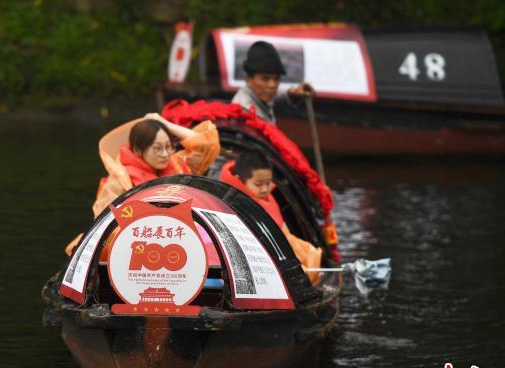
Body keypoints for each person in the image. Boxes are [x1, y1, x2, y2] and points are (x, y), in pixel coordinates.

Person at [65, 113, 220, 255]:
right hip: (138, 249)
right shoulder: (120, 181)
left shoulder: (178, 163)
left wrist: (164, 123)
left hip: (178, 241)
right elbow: (105, 227)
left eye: (168, 146)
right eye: (157, 148)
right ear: (138, 150)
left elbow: (208, 146)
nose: (165, 154)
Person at [219, 151, 322, 281]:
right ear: (240, 180)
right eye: (258, 184)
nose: (264, 189)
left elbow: (286, 235)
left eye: (268, 183)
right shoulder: (232, 204)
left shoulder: (268, 200)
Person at [231, 41, 313, 124]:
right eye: (265, 79)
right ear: (248, 79)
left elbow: (278, 95)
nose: (272, 85)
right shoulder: (244, 112)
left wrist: (293, 93)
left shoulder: (258, 93)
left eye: (276, 79)